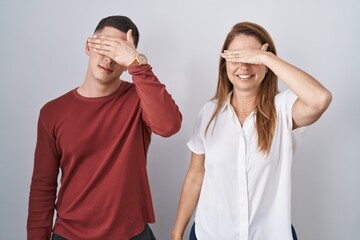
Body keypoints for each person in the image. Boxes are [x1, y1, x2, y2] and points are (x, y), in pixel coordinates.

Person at [172, 22, 332, 240]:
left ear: (267, 66)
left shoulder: (284, 109)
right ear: (224, 63)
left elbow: (320, 99)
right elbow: (195, 175)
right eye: (236, 57)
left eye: (252, 57)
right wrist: (176, 233)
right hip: (210, 234)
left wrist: (267, 58)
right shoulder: (208, 113)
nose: (244, 66)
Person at [27, 15, 182, 240]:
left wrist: (137, 64)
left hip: (131, 234)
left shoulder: (139, 99)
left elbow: (169, 126)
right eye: (105, 47)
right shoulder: (52, 112)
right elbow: (43, 186)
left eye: (118, 53)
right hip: (70, 234)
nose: (108, 60)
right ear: (88, 46)